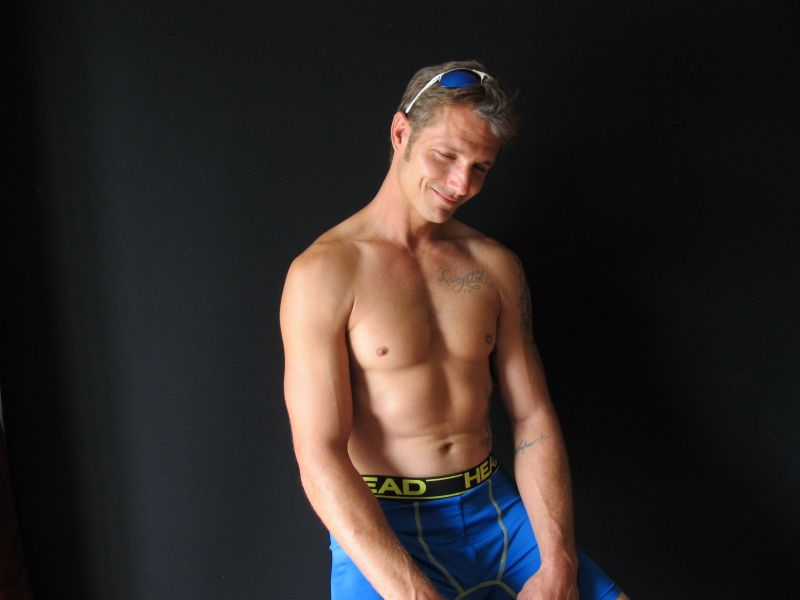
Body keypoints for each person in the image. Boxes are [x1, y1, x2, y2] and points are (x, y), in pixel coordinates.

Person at [280, 59, 628, 600]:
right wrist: (413, 593)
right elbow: (318, 453)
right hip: (384, 524)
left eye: (480, 167)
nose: (460, 184)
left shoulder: (494, 266)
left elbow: (532, 418)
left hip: (495, 511)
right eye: (445, 156)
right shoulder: (323, 272)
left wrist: (558, 560)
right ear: (401, 133)